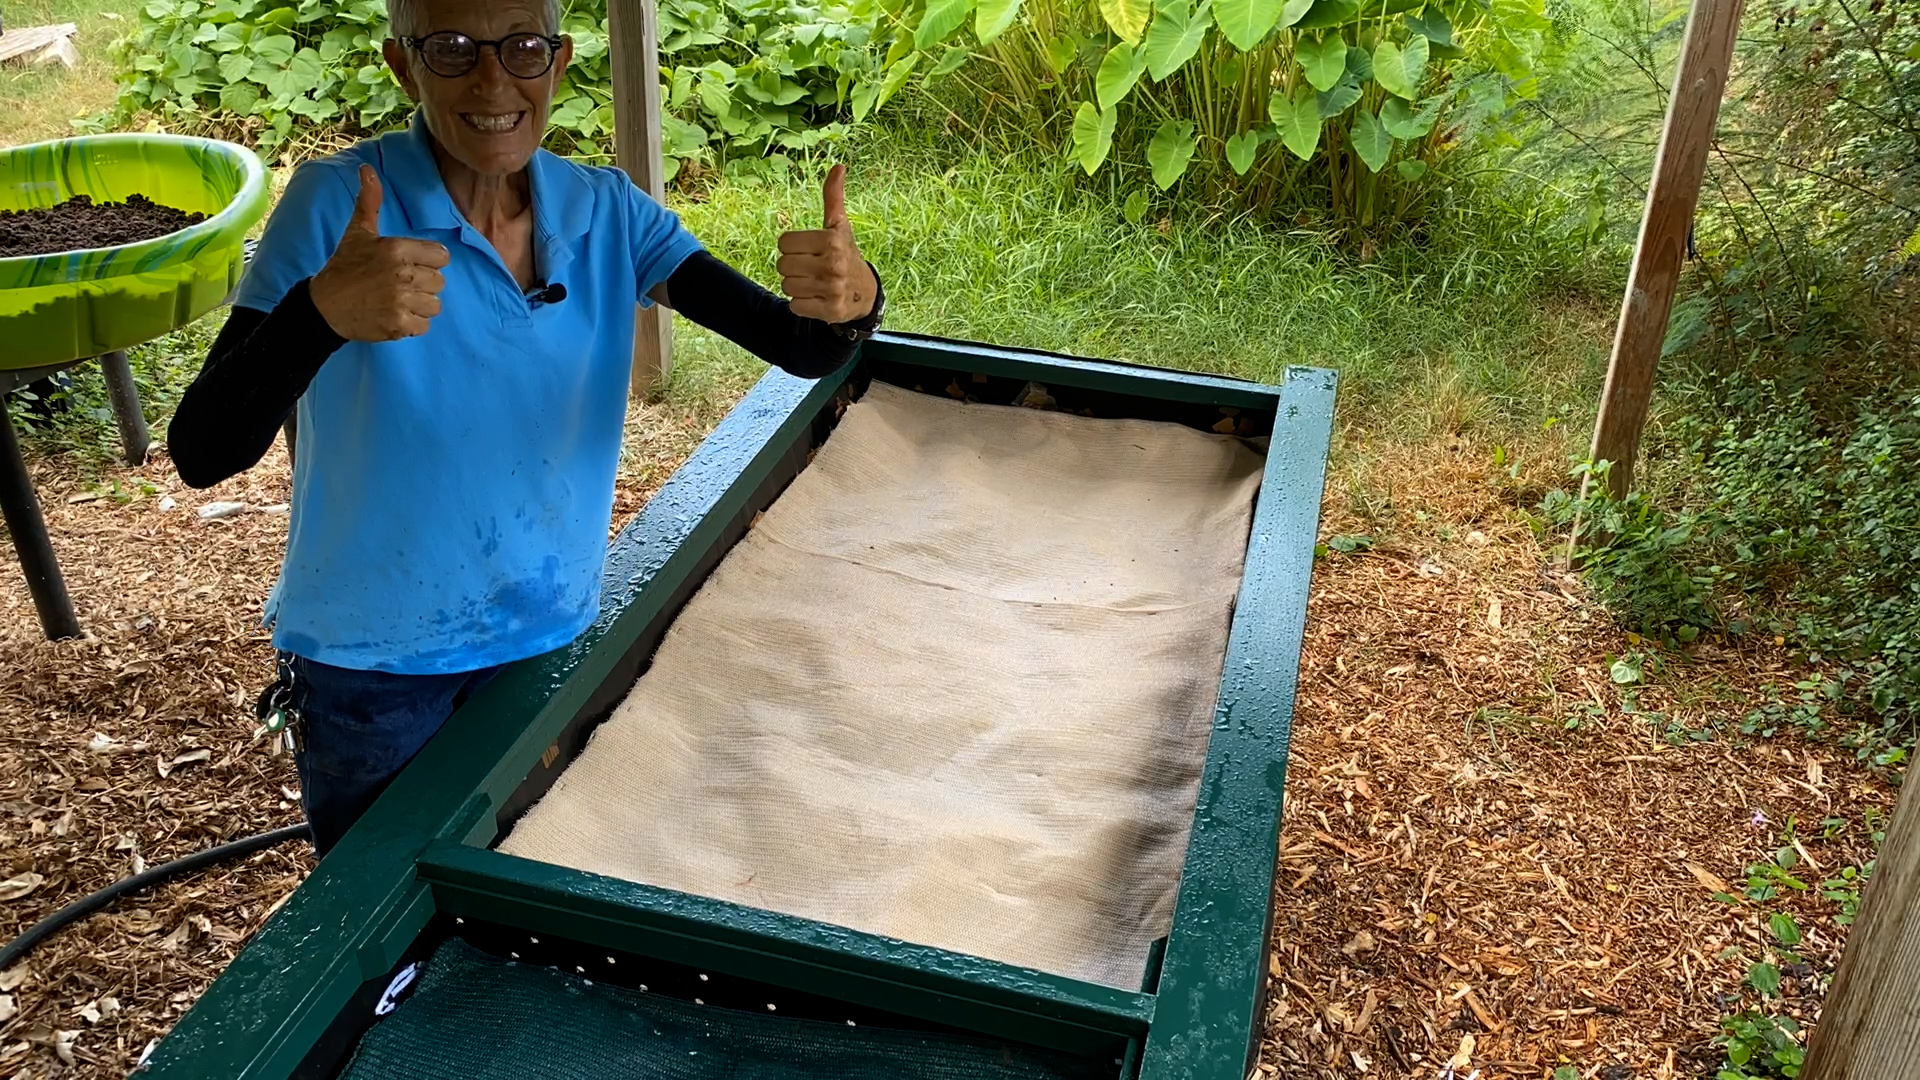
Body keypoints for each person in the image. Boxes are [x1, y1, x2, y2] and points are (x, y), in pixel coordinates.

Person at [166, 0, 885, 856]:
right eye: (454, 48)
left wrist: (854, 301)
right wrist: (319, 312)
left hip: (550, 627)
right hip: (376, 662)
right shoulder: (339, 204)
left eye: (523, 47)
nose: (493, 78)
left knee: (521, 875)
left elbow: (799, 346)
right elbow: (204, 449)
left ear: (560, 60)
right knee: (381, 910)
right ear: (405, 65)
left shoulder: (608, 213)